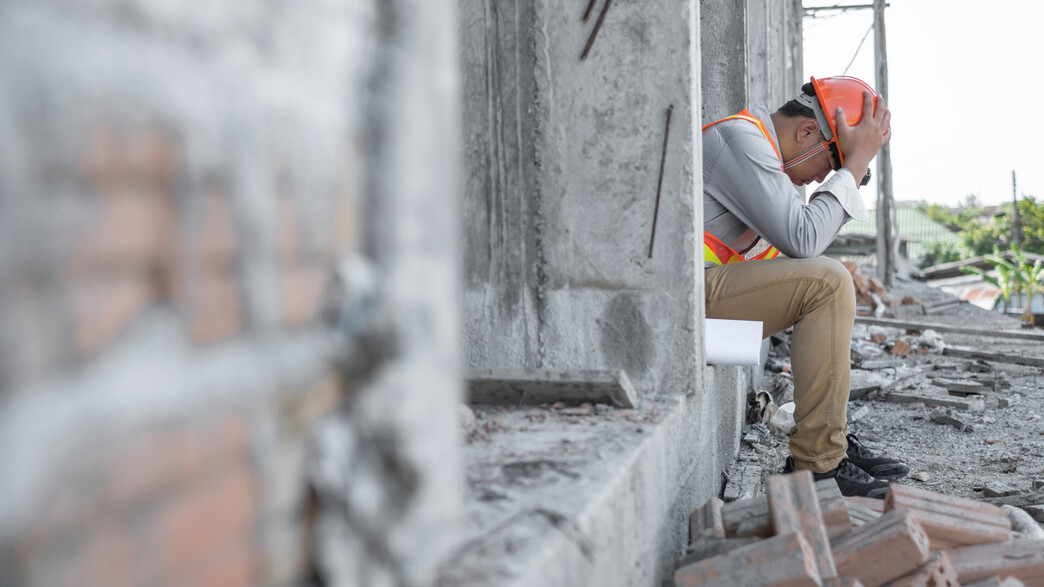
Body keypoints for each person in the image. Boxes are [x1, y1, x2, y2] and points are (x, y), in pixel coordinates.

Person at [702, 75, 909, 498]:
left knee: (828, 282)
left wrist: (849, 166)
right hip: (684, 306)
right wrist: (852, 168)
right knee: (829, 282)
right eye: (830, 164)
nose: (821, 180)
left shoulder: (770, 162)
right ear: (808, 131)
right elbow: (804, 239)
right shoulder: (741, 141)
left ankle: (827, 444)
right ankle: (817, 465)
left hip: (707, 307)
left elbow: (798, 249)